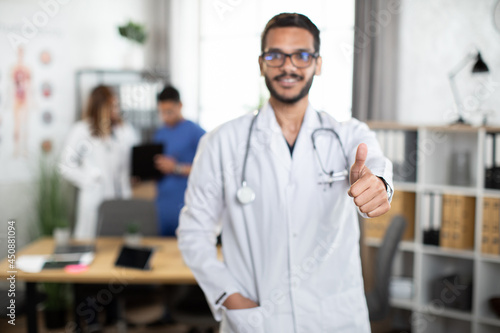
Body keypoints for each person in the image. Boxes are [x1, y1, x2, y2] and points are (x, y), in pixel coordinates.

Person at [177, 13, 393, 332]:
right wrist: (231, 297)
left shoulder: (347, 134)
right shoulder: (221, 142)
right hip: (258, 319)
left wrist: (379, 186)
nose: (288, 66)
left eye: (301, 55)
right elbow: (194, 232)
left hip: (334, 318)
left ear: (317, 64)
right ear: (261, 63)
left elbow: (373, 163)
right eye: (275, 55)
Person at [59, 85, 138, 240]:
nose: (116, 109)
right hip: (95, 195)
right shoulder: (82, 130)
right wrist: (90, 178)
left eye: (116, 105)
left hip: (121, 196)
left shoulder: (125, 130)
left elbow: (133, 158)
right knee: (92, 244)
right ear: (100, 106)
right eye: (111, 105)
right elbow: (66, 165)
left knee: (119, 242)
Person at [153, 86, 205, 236]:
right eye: (162, 112)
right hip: (163, 205)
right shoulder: (160, 133)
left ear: (180, 106)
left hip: (186, 204)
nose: (166, 116)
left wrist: (176, 168)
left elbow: (207, 168)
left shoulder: (195, 132)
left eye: (170, 111)